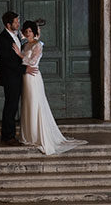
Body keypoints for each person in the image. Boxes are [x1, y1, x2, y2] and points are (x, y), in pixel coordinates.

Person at [18, 20, 86, 156]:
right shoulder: (25, 45)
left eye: (30, 31)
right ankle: (29, 135)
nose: (27, 33)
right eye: (26, 31)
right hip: (25, 77)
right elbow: (23, 62)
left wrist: (19, 54)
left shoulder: (38, 45)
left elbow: (32, 62)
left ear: (34, 32)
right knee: (27, 104)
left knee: (35, 103)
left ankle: (38, 136)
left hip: (34, 77)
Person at [0, 11, 24, 144]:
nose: (18, 23)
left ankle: (10, 135)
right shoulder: (3, 39)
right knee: (11, 106)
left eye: (18, 21)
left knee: (13, 106)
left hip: (17, 76)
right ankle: (8, 136)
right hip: (10, 77)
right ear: (8, 24)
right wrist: (25, 69)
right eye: (16, 22)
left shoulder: (16, 35)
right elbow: (8, 60)